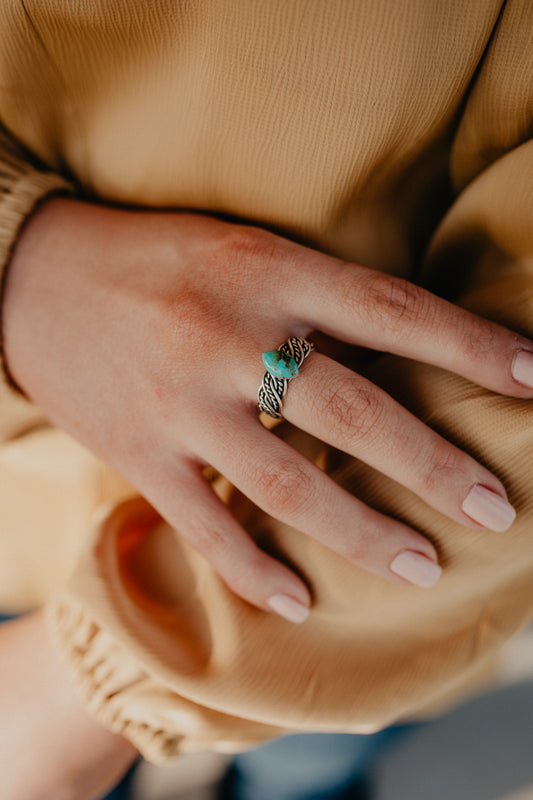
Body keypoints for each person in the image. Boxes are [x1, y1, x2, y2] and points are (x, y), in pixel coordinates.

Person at [0, 1, 532, 797]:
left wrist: (91, 671)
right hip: (29, 528)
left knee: (306, 761)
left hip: (346, 621)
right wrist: (21, 254)